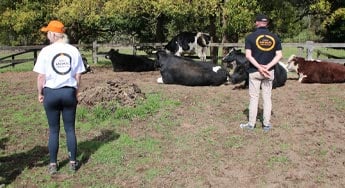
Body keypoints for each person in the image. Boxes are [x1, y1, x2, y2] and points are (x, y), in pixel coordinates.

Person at [33, 20, 86, 174]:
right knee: (70, 129)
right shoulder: (73, 51)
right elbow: (78, 74)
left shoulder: (45, 52)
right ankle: (73, 162)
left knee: (54, 130)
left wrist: (40, 93)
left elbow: (41, 77)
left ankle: (53, 164)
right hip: (68, 92)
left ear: (53, 34)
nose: (47, 35)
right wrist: (76, 91)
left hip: (51, 93)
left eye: (48, 33)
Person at [240, 14, 283, 132]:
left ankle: (251, 124)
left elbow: (248, 56)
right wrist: (267, 67)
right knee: (267, 97)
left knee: (254, 98)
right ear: (267, 24)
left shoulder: (250, 37)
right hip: (269, 72)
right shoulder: (275, 37)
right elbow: (279, 55)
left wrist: (259, 67)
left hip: (255, 71)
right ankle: (266, 124)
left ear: (257, 23)